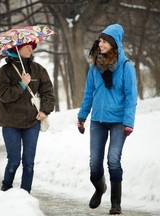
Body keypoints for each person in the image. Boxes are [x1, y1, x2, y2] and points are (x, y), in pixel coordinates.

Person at [77, 24, 138, 214]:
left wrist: (129, 122)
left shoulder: (126, 67)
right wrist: (82, 116)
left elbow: (131, 97)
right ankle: (99, 188)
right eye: (100, 41)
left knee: (113, 160)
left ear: (114, 43)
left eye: (104, 41)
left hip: (119, 121)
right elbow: (89, 93)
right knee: (95, 164)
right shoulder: (95, 65)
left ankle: (115, 203)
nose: (100, 44)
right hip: (98, 121)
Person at [0, 41, 55, 193]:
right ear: (17, 48)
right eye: (28, 46)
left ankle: (25, 196)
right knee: (14, 161)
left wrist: (44, 111)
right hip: (10, 123)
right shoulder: (5, 71)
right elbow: (4, 96)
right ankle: (6, 188)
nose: (31, 49)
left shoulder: (38, 70)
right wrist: (22, 84)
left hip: (32, 123)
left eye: (33, 47)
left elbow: (48, 93)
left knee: (29, 163)